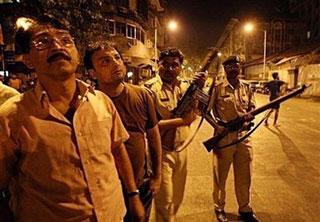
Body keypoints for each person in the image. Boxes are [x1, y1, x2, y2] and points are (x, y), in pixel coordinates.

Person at [0, 15, 144, 222]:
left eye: (66, 40)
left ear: (76, 54)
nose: (58, 46)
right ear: (28, 59)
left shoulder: (102, 102)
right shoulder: (11, 116)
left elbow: (117, 149)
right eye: (43, 42)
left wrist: (133, 195)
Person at [84, 41, 162, 222]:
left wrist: (156, 176)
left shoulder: (142, 95)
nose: (115, 63)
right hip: (108, 190)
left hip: (141, 184)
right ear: (92, 73)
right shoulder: (89, 103)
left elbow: (153, 135)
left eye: (117, 58)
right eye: (105, 61)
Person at [145, 47, 206, 222]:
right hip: (160, 152)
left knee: (177, 198)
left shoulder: (186, 87)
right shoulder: (148, 89)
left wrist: (199, 88)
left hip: (182, 150)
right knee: (165, 202)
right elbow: (148, 126)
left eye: (175, 65)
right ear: (158, 65)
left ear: (180, 67)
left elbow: (199, 111)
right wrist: (181, 121)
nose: (170, 69)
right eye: (166, 64)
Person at [210, 55, 259, 222]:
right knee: (220, 176)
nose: (233, 69)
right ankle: (219, 208)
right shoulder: (217, 88)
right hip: (224, 138)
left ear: (240, 69)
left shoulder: (247, 87)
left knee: (245, 175)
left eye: (236, 67)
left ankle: (245, 208)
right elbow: (205, 111)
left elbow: (252, 105)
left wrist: (250, 114)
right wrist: (218, 126)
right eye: (229, 67)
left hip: (244, 136)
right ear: (225, 69)